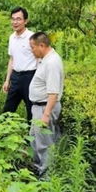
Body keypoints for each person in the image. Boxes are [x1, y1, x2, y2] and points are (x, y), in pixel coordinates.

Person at [28, 32, 64, 177]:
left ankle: (47, 177)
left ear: (41, 46)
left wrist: (46, 115)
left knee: (44, 144)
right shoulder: (45, 59)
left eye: (33, 47)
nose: (32, 51)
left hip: (44, 107)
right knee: (35, 139)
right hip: (39, 107)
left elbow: (53, 93)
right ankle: (38, 168)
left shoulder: (52, 63)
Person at [2, 7, 36, 123]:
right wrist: (7, 80)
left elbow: (40, 59)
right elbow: (12, 59)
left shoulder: (32, 38)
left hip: (30, 78)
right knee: (7, 110)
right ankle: (3, 137)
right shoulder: (12, 37)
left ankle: (31, 140)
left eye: (18, 19)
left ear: (25, 21)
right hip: (15, 77)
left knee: (31, 111)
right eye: (13, 19)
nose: (15, 22)